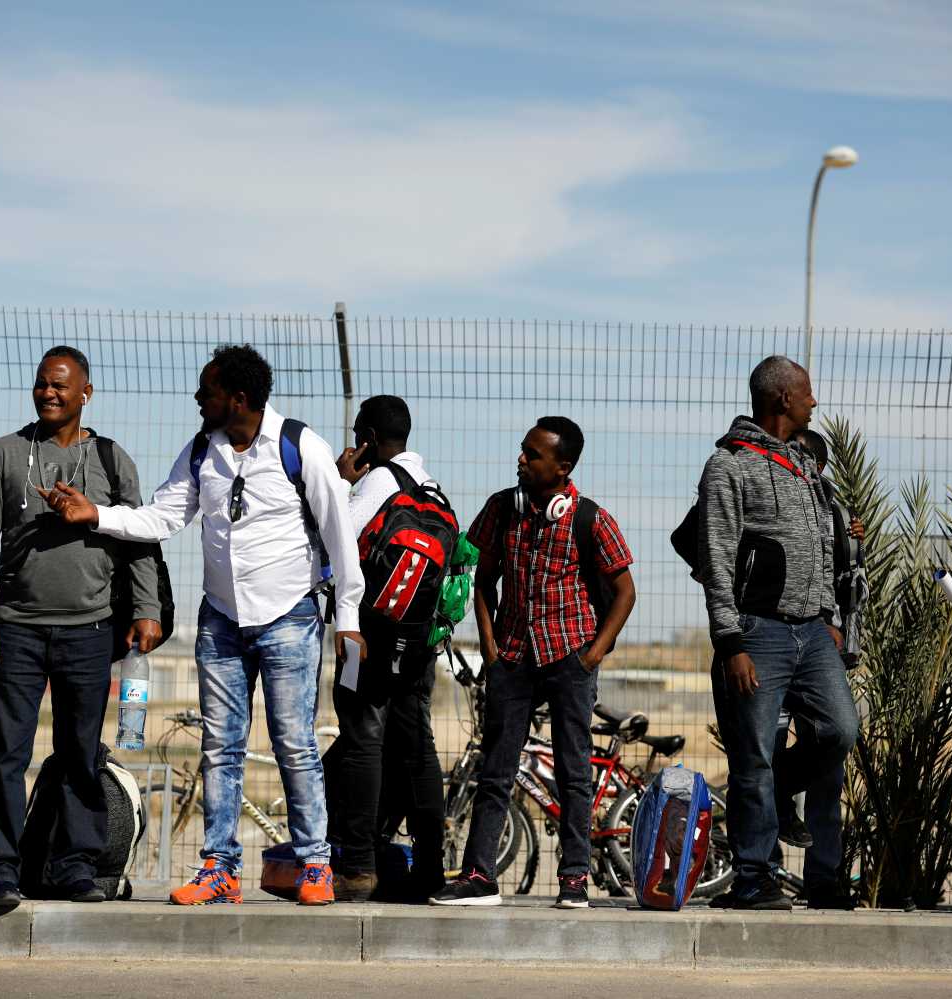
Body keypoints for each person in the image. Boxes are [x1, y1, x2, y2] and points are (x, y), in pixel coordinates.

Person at [41, 344, 364, 906]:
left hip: (290, 617)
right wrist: (94, 513)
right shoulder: (201, 452)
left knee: (295, 745)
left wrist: (349, 616)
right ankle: (221, 869)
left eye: (206, 391)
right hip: (221, 622)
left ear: (237, 398)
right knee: (220, 748)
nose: (197, 398)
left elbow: (340, 534)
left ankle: (315, 864)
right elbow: (163, 515)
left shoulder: (299, 447)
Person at [0, 345, 163, 907]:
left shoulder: (111, 459)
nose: (48, 393)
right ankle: (0, 868)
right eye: (41, 384)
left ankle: (76, 865)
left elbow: (140, 536)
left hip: (90, 628)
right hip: (16, 629)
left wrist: (146, 608)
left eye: (60, 385)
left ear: (85, 393)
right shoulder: (4, 454)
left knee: (80, 753)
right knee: (5, 753)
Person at [430, 416, 635, 909]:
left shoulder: (592, 518)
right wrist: (491, 646)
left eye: (533, 454)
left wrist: (593, 653)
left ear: (563, 468)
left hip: (570, 656)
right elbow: (481, 579)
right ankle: (480, 875)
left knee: (573, 770)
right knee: (496, 766)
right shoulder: (502, 508)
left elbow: (625, 592)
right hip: (515, 657)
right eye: (522, 450)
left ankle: (574, 879)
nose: (521, 459)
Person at [699, 356, 858, 911]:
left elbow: (821, 546)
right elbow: (715, 556)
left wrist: (831, 619)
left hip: (814, 633)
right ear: (783, 398)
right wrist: (731, 642)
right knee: (755, 758)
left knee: (840, 730)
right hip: (757, 633)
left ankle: (793, 836)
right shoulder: (729, 465)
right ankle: (753, 878)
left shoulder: (805, 467)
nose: (815, 402)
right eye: (808, 393)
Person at [325, 395, 447, 902]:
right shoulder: (434, 491)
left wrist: (339, 481)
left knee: (360, 741)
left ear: (369, 438)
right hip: (419, 644)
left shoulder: (375, 482)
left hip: (365, 638)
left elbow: (334, 537)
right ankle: (431, 869)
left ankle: (357, 867)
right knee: (417, 749)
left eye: (359, 435)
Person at [769, 429, 866, 854]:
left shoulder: (839, 512)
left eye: (803, 456)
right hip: (768, 644)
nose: (792, 461)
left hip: (820, 652)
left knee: (831, 747)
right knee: (765, 747)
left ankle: (824, 875)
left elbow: (853, 585)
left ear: (821, 466)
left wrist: (841, 634)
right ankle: (761, 872)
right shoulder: (764, 496)